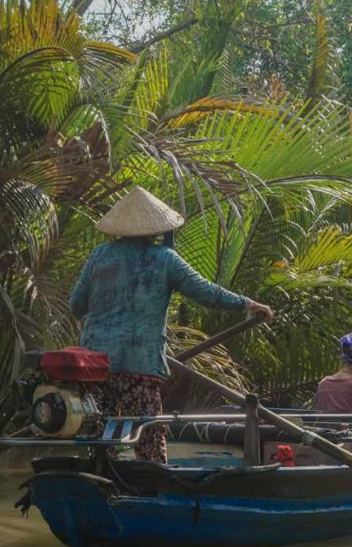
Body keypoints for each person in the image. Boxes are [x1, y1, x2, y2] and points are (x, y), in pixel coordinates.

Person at [69, 186, 273, 463]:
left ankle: (98, 473)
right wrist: (248, 304)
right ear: (157, 229)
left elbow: (76, 306)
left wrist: (105, 325)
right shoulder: (164, 259)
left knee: (100, 431)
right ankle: (151, 482)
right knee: (147, 431)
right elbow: (206, 293)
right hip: (138, 364)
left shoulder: (100, 255)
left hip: (95, 364)